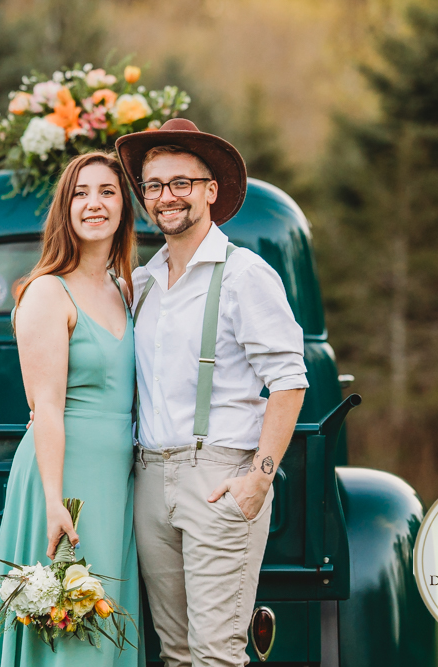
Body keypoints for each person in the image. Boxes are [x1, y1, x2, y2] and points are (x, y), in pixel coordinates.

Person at [115, 118, 309, 667]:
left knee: (217, 654)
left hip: (219, 478)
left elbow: (290, 381)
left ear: (209, 191)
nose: (165, 197)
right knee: (174, 653)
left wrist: (258, 479)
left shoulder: (245, 274)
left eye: (180, 183)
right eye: (153, 186)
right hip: (150, 479)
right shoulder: (145, 281)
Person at [0, 151, 143, 667]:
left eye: (108, 192)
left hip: (116, 479)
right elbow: (45, 406)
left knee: (105, 621)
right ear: (65, 210)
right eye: (81, 194)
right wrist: (52, 500)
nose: (95, 204)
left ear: (123, 208)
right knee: (64, 627)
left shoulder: (123, 289)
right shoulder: (48, 292)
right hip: (63, 479)